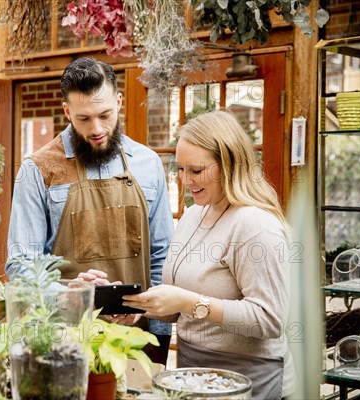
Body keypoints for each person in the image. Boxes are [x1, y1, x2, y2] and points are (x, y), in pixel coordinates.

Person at [5, 57, 175, 364]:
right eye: (83, 118)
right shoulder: (39, 169)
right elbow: (21, 266)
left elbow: (162, 257)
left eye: (105, 115)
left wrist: (159, 334)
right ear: (67, 111)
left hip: (137, 341)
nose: (96, 129)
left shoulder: (148, 164)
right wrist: (70, 293)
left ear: (119, 103)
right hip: (63, 342)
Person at [121, 110, 296, 399]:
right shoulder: (193, 215)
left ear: (228, 164)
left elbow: (270, 319)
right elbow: (184, 306)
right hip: (192, 374)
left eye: (196, 170)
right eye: (180, 168)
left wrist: (188, 301)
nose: (186, 180)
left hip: (248, 377)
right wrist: (140, 308)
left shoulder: (254, 224)